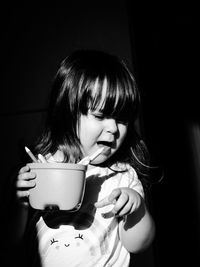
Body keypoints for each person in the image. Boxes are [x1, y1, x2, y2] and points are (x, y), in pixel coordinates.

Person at [16, 49, 155, 267]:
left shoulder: (122, 178)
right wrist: (20, 205)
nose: (113, 128)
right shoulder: (40, 168)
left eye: (123, 120)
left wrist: (136, 210)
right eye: (100, 115)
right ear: (68, 112)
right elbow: (9, 243)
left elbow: (138, 245)